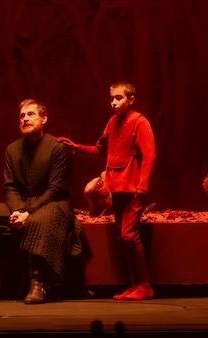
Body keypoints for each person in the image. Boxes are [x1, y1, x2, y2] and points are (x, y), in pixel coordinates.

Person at [0, 99, 80, 304]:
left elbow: (56, 189)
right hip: (22, 203)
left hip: (53, 203)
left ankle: (39, 285)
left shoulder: (57, 147)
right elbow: (10, 186)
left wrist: (28, 212)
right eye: (22, 116)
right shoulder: (12, 149)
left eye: (31, 114)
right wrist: (18, 210)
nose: (25, 119)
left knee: (38, 222)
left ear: (44, 118)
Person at [59, 81, 156, 301]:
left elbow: (150, 156)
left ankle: (144, 286)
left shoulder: (140, 122)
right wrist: (75, 146)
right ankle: (134, 285)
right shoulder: (113, 122)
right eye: (112, 98)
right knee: (124, 237)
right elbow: (99, 149)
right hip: (117, 188)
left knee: (129, 235)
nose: (113, 102)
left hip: (133, 189)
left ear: (131, 99)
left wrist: (143, 185)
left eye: (119, 98)